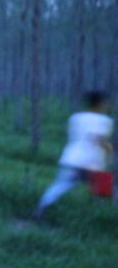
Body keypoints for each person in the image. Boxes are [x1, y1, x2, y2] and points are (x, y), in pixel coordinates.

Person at [34, 91, 114, 220]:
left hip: (71, 159)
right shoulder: (104, 121)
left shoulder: (76, 117)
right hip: (91, 164)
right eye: (106, 103)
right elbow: (100, 140)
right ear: (100, 104)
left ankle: (41, 208)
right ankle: (104, 219)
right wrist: (110, 150)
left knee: (59, 185)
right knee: (105, 189)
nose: (107, 105)